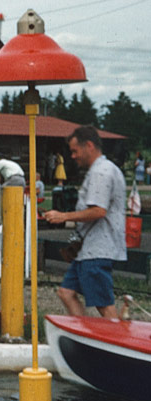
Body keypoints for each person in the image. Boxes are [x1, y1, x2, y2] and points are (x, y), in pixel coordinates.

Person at [42, 125, 127, 318]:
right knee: (66, 293)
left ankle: (114, 341)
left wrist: (63, 216)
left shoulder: (101, 172)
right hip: (89, 249)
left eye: (75, 151)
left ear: (89, 145)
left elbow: (98, 211)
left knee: (103, 304)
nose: (72, 156)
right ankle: (83, 335)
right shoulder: (103, 170)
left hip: (98, 248)